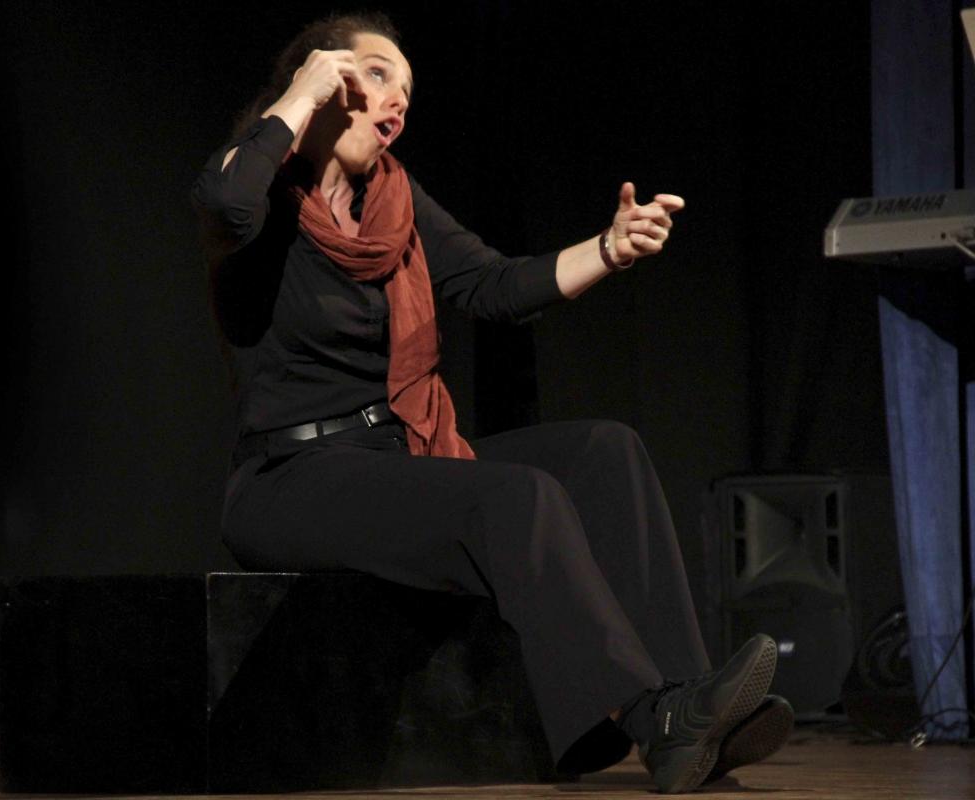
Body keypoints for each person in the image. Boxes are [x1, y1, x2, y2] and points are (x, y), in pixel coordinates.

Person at [192, 12, 792, 794]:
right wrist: (299, 97)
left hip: (393, 453)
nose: (398, 100)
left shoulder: (394, 203)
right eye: (377, 75)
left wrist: (608, 250)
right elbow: (224, 204)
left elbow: (493, 285)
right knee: (517, 497)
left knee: (603, 449)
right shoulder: (261, 191)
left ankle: (687, 703)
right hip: (290, 478)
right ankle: (654, 718)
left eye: (407, 91)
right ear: (322, 73)